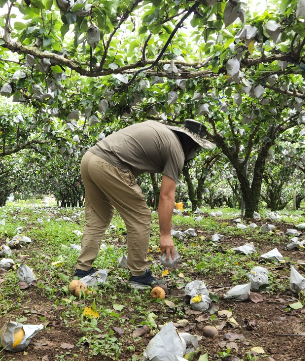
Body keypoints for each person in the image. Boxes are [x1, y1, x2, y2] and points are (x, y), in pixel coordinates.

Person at [74, 119, 216, 289]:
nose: (195, 152)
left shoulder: (161, 134)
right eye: (197, 148)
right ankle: (139, 275)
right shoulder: (177, 150)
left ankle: (82, 270)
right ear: (191, 143)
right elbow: (166, 196)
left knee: (99, 217)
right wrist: (165, 235)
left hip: (90, 158)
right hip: (108, 164)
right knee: (140, 216)